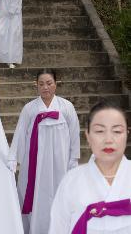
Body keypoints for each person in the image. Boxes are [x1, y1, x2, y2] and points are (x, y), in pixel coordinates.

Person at [8, 69, 80, 234]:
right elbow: (20, 133)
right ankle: (37, 228)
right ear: (36, 85)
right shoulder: (29, 108)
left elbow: (74, 133)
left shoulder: (66, 106)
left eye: (49, 83)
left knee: (60, 191)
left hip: (60, 159)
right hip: (37, 160)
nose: (45, 87)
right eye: (41, 84)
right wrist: (13, 157)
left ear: (55, 84)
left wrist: (73, 158)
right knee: (37, 193)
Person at [49, 99, 131, 234]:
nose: (108, 139)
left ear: (127, 134)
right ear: (88, 136)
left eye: (117, 131)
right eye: (99, 131)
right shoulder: (71, 181)